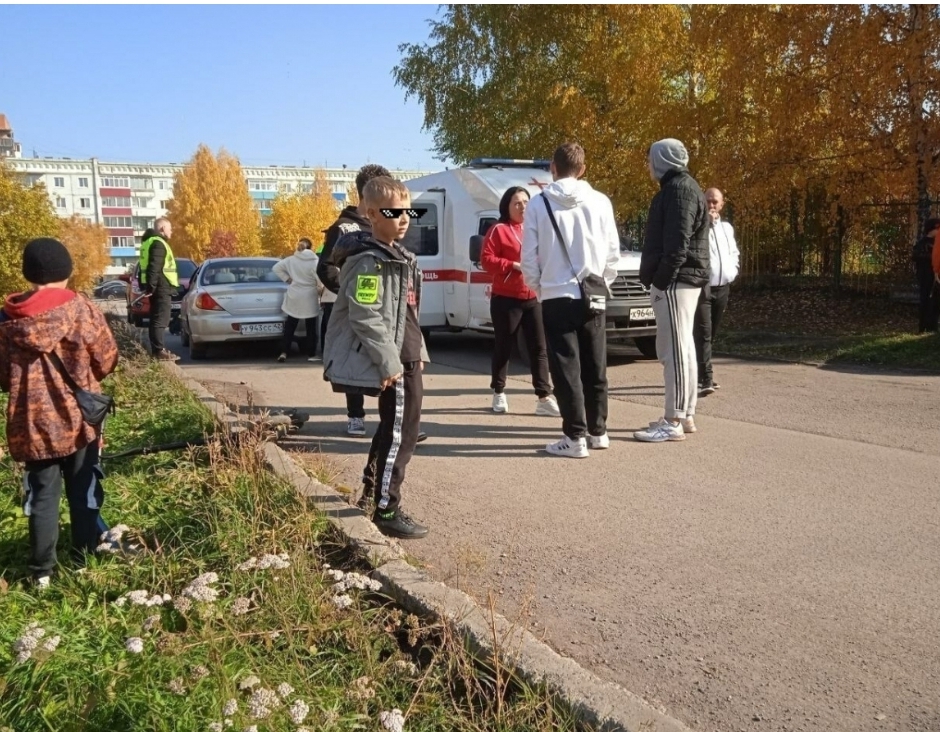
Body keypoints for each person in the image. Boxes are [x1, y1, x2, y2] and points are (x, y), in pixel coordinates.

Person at [0, 238, 120, 587]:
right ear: (66, 271)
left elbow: (2, 376)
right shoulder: (81, 309)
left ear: (28, 273)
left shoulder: (7, 318)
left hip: (31, 423)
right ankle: (84, 557)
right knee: (83, 485)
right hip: (80, 419)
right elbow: (107, 358)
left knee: (42, 494)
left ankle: (42, 575)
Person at [323, 176, 429, 539]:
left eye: (407, 211)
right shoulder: (370, 261)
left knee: (395, 430)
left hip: (407, 356)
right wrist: (388, 363)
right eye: (393, 211)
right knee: (400, 434)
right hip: (394, 363)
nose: (403, 218)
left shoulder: (399, 256)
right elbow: (365, 313)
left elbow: (408, 313)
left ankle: (373, 493)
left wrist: (420, 351)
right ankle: (386, 508)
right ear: (370, 214)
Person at [521, 142, 620, 458]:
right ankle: (598, 431)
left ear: (553, 167)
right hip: (594, 293)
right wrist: (603, 281)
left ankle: (574, 436)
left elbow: (529, 256)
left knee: (565, 367)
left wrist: (539, 287)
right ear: (583, 168)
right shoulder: (601, 201)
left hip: (555, 293)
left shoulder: (539, 204)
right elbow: (612, 252)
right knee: (595, 362)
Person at [634, 138, 710, 443]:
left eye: (651, 158)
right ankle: (684, 414)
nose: (649, 165)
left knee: (674, 351)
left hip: (677, 281)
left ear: (662, 159)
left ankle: (673, 419)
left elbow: (677, 245)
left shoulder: (679, 190)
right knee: (682, 349)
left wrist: (661, 281)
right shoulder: (681, 188)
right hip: (681, 280)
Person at [318, 164, 391, 437]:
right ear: (366, 194)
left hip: (387, 310)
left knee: (391, 360)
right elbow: (325, 268)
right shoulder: (344, 227)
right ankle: (355, 415)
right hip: (357, 309)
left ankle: (394, 421)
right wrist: (349, 294)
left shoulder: (386, 223)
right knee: (354, 360)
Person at [480, 186, 560, 417]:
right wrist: (512, 265)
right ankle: (499, 392)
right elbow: (487, 260)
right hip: (506, 297)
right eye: (517, 203)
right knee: (504, 346)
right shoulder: (498, 229)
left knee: (539, 348)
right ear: (507, 206)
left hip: (533, 296)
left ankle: (544, 396)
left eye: (526, 202)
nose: (522, 207)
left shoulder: (534, 228)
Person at [694, 188, 740, 395]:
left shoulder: (727, 228)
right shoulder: (698, 225)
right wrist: (706, 223)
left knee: (711, 333)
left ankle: (698, 372)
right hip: (703, 287)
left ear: (722, 204)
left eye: (715, 202)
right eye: (708, 202)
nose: (712, 206)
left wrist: (734, 271)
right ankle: (707, 379)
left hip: (723, 287)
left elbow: (733, 252)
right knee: (703, 332)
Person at [139, 217, 180, 361]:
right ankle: (158, 351)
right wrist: (152, 285)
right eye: (170, 228)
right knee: (160, 319)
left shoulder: (149, 243)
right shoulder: (158, 243)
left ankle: (158, 350)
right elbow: (154, 267)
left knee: (157, 318)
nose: (172, 231)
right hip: (161, 286)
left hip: (157, 286)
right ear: (162, 229)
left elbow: (143, 267)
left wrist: (147, 285)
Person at [273, 237, 320, 362]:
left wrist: (288, 279)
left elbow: (276, 268)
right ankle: (311, 354)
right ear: (311, 247)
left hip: (294, 294)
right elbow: (319, 279)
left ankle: (284, 352)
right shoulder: (314, 261)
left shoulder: (291, 260)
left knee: (290, 325)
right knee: (310, 327)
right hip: (310, 295)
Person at [913, 217, 940, 333]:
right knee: (925, 299)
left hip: (936, 275)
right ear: (932, 229)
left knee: (935, 301)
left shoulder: (937, 242)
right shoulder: (922, 243)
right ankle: (923, 326)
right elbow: (916, 256)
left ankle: (932, 325)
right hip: (926, 275)